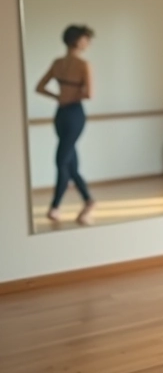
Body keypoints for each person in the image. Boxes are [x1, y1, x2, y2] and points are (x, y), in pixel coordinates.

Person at [35, 24, 96, 225]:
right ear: (77, 40)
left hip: (71, 114)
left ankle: (55, 206)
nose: (88, 43)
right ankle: (88, 201)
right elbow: (40, 87)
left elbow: (88, 93)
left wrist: (62, 97)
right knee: (69, 162)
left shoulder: (75, 64)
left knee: (61, 160)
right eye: (86, 39)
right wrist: (62, 97)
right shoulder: (68, 63)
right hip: (65, 113)